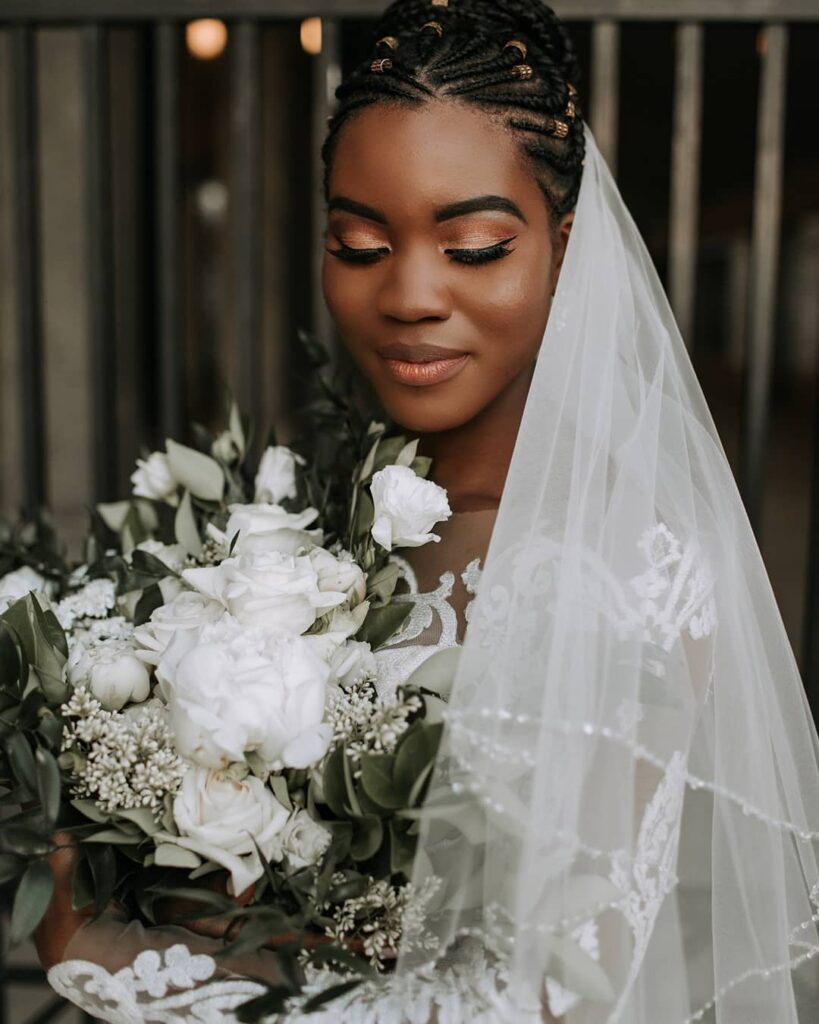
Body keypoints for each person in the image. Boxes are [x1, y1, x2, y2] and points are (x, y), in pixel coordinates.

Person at [39, 1, 819, 1021]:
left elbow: (548, 994)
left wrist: (109, 960)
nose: (409, 292)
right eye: (359, 244)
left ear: (565, 248)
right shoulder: (330, 516)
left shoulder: (602, 569)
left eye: (477, 247)